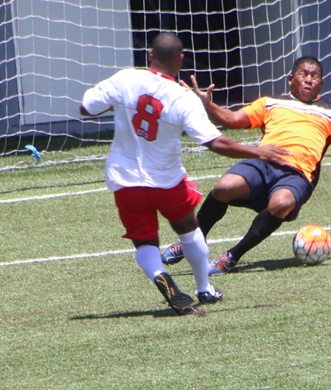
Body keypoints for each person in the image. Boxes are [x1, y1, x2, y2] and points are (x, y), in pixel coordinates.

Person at [80, 32, 281, 315]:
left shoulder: (125, 78)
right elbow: (215, 142)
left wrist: (120, 103)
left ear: (150, 55)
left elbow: (86, 108)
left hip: (124, 179)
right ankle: (204, 288)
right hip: (166, 180)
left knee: (145, 241)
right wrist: (258, 152)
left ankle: (159, 275)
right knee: (189, 228)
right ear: (181, 59)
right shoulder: (183, 97)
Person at [160, 56, 331, 275]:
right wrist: (207, 105)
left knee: (281, 203)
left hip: (297, 175)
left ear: (321, 83)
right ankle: (191, 242)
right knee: (224, 187)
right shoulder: (270, 103)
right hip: (264, 163)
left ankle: (232, 256)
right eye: (304, 74)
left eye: (315, 76)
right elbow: (232, 119)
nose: (309, 79)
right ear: (291, 79)